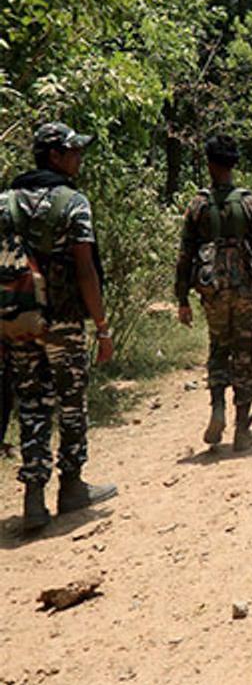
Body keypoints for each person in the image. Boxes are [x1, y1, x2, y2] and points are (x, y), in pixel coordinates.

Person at [2, 122, 117, 533]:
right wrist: (101, 326)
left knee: (31, 403)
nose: (78, 157)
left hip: (20, 320)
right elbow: (85, 269)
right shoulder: (73, 203)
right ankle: (71, 487)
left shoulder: (5, 202)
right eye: (73, 151)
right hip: (64, 320)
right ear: (54, 155)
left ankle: (33, 498)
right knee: (71, 402)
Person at [174, 134, 252, 452]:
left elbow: (185, 254)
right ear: (233, 165)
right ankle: (242, 429)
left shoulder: (198, 205)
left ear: (210, 164)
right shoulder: (248, 203)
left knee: (218, 348)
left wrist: (182, 299)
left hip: (212, 288)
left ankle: (217, 406)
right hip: (245, 288)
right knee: (245, 352)